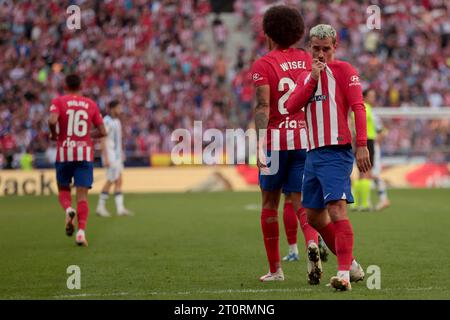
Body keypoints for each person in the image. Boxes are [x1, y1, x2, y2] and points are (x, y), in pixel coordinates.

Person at [286, 24, 370, 291]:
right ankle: (353, 265)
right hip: (313, 154)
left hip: (337, 150)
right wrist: (312, 77)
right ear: (309, 48)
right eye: (316, 49)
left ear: (335, 47)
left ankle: (343, 274)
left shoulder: (345, 71)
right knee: (313, 218)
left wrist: (362, 145)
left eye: (326, 49)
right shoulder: (305, 77)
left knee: (336, 209)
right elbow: (290, 107)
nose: (321, 54)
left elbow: (358, 107)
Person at [251, 5, 322, 284]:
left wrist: (258, 143)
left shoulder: (264, 64)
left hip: (275, 142)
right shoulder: (308, 59)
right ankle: (312, 244)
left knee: (269, 204)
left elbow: (263, 106)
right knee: (302, 203)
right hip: (304, 140)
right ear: (297, 31)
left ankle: (275, 269)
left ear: (267, 31)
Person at [48, 74, 106, 246]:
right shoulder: (91, 104)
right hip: (84, 153)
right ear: (82, 86)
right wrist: (86, 135)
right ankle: (81, 232)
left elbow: (51, 120)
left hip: (65, 151)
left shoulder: (59, 101)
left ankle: (68, 209)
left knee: (63, 188)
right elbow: (102, 131)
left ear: (65, 85)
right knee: (82, 196)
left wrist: (54, 134)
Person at [96, 100, 133, 217]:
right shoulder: (106, 121)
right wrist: (105, 156)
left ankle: (120, 209)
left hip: (117, 156)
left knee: (119, 180)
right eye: (118, 108)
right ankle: (100, 207)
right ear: (112, 109)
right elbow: (102, 138)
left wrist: (121, 152)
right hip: (110, 156)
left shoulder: (117, 121)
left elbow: (118, 139)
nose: (120, 110)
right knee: (111, 180)